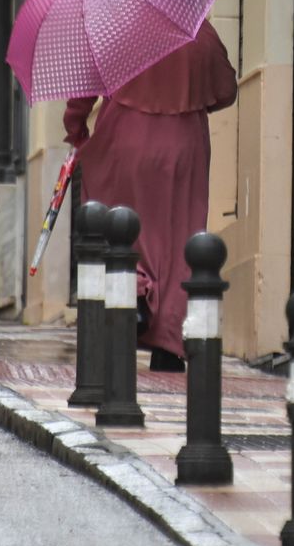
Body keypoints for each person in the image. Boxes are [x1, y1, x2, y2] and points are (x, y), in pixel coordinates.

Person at [63, 21, 237, 371]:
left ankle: (133, 295)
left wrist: (77, 128)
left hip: (124, 138)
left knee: (118, 221)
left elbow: (83, 90)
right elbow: (226, 91)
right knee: (178, 237)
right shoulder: (200, 32)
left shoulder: (116, 28)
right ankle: (169, 344)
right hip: (184, 147)